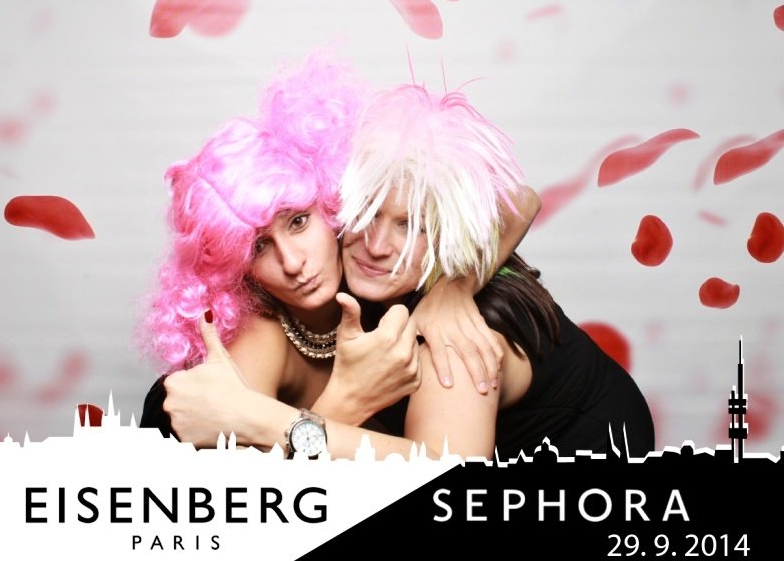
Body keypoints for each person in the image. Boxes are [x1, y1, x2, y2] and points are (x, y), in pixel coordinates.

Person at [162, 78, 654, 460]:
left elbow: (448, 480)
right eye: (368, 213)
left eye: (411, 226)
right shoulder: (353, 276)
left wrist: (265, 422)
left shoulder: (455, 337)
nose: (377, 247)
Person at [141, 55, 538, 440]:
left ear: (332, 201)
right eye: (259, 246)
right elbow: (246, 480)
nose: (293, 262)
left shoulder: (377, 278)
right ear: (237, 265)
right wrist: (348, 397)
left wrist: (455, 288)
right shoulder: (264, 333)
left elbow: (520, 200)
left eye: (298, 222)